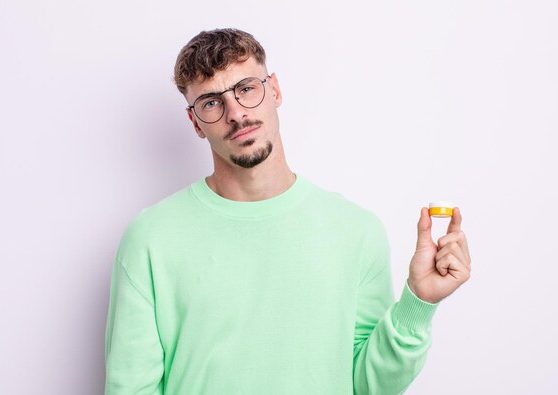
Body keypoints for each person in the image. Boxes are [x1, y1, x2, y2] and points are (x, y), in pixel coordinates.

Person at [104, 28, 471, 395]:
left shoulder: (355, 231)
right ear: (195, 122)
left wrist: (420, 301)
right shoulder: (152, 239)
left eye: (246, 88)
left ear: (275, 90)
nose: (236, 113)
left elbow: (368, 385)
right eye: (212, 102)